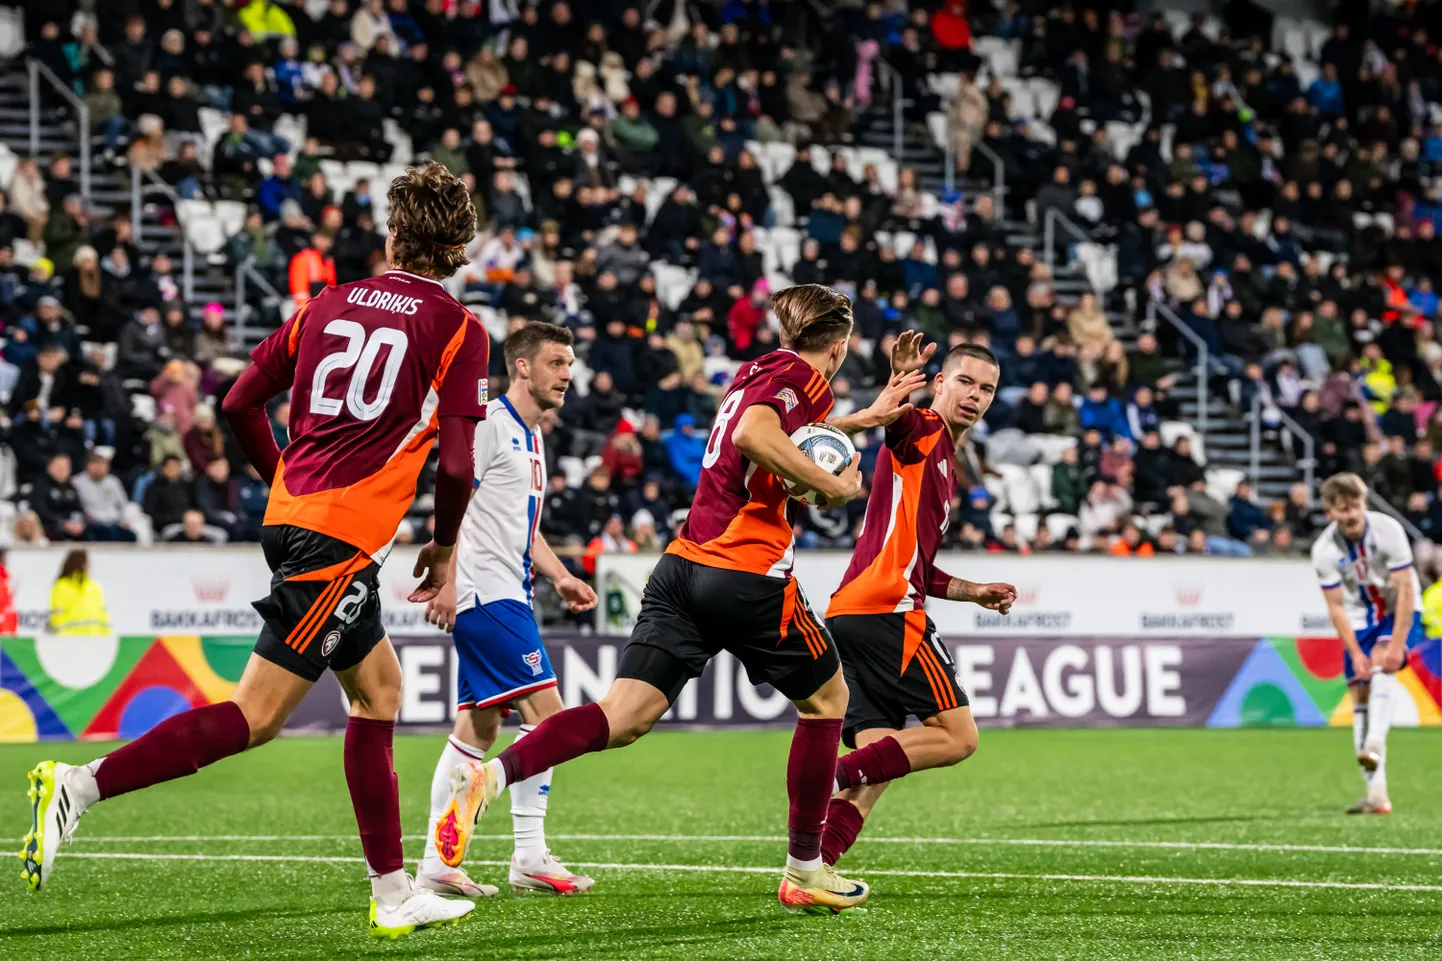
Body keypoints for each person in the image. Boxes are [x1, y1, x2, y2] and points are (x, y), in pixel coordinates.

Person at [22, 163, 488, 939]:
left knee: (379, 692)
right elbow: (459, 464)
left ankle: (392, 892)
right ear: (459, 247)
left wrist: (285, 485)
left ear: (393, 235)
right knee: (257, 714)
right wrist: (443, 552)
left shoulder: (325, 304)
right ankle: (80, 783)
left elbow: (238, 401)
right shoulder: (460, 329)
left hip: (303, 524)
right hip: (336, 542)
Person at [442, 284, 924, 914]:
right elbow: (755, 434)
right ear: (838, 347)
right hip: (747, 572)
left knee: (622, 716)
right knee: (828, 701)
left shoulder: (756, 371)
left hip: (681, 569)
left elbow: (770, 428)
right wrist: (830, 486)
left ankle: (492, 775)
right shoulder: (804, 379)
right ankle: (806, 870)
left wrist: (865, 418)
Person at [820, 335, 1016, 871]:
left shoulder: (946, 458)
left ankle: (813, 866)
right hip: (888, 611)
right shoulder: (926, 430)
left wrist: (974, 591)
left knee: (881, 760)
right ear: (940, 383)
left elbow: (920, 568)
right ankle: (825, 774)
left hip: (850, 613)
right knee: (958, 738)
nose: (974, 396)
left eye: (986, 389)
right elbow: (897, 422)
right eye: (965, 382)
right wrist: (898, 383)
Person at [419, 322, 599, 898]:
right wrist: (446, 579)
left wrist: (561, 575)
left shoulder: (533, 435)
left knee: (477, 726)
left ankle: (435, 866)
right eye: (555, 362)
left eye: (569, 364)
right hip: (485, 592)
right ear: (522, 366)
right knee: (551, 720)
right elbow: (454, 499)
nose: (566, 374)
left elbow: (523, 526)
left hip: (506, 589)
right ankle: (528, 854)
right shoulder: (492, 424)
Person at [1310, 473, 1425, 816]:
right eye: (1343, 509)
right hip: (1361, 618)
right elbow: (1336, 608)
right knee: (1359, 691)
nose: (1352, 515)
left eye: (1356, 506)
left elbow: (1405, 588)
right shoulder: (1324, 551)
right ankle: (1377, 794)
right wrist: (1354, 652)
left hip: (1399, 610)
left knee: (1382, 660)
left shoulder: (1388, 530)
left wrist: (1396, 645)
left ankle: (1374, 741)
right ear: (1330, 512)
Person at [47, 549, 110, 635]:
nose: (87, 566)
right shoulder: (61, 586)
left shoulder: (94, 586)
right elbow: (57, 615)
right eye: (84, 562)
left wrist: (107, 636)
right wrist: (61, 637)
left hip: (95, 637)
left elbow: (103, 614)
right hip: (70, 638)